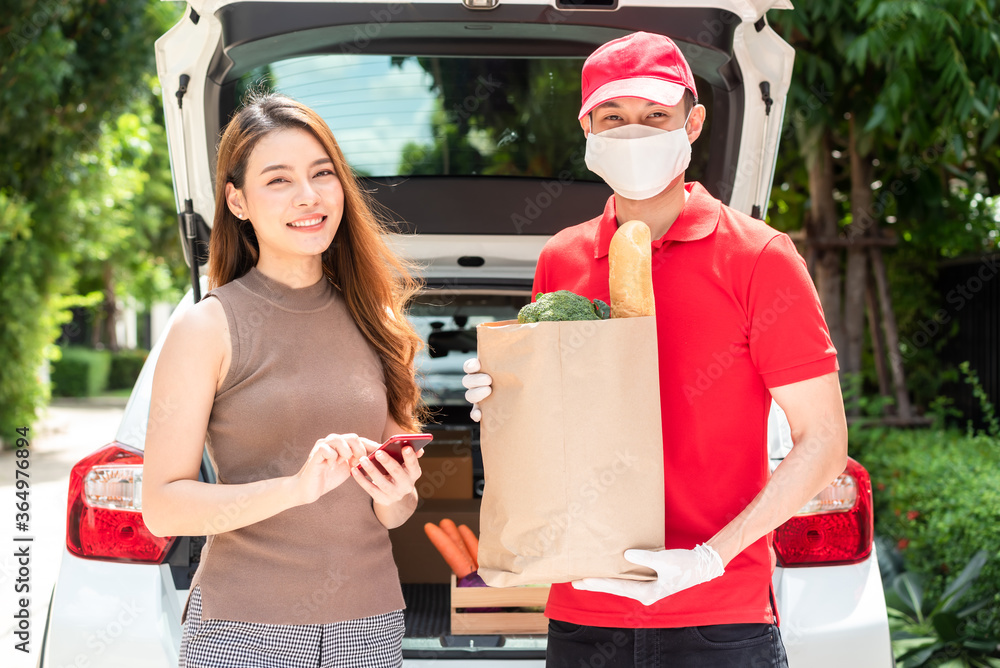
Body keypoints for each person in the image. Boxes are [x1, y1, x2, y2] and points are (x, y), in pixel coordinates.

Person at [463, 32, 848, 667]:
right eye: (613, 118)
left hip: (718, 618)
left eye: (655, 116)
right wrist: (504, 396)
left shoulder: (759, 258)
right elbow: (562, 424)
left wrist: (709, 558)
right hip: (583, 613)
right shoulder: (562, 257)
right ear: (587, 129)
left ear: (693, 123)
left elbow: (824, 439)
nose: (633, 133)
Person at [142, 92, 427, 668]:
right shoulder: (208, 326)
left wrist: (397, 492)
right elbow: (163, 507)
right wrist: (296, 489)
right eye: (278, 180)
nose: (308, 196)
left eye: (322, 174)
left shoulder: (381, 319)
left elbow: (396, 511)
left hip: (370, 625)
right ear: (238, 201)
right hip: (245, 630)